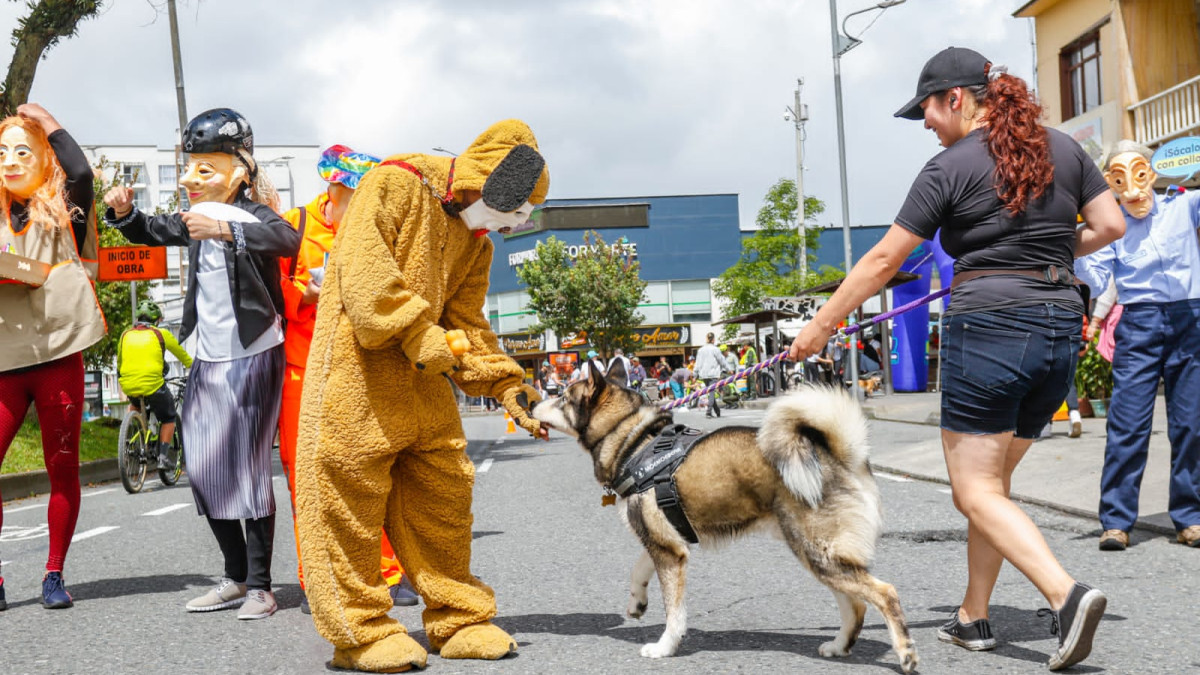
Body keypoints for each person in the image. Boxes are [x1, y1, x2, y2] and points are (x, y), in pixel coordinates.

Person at [789, 48, 1124, 670]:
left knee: (974, 491)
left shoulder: (948, 166)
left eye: (927, 109)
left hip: (992, 325)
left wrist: (820, 326)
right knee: (991, 489)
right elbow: (1108, 226)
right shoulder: (1066, 148)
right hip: (1057, 324)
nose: (924, 123)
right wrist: (1039, 248)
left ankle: (1066, 595)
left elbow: (885, 261)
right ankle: (973, 617)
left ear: (958, 98)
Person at [293, 120, 549, 671]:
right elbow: (364, 279)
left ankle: (458, 618)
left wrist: (508, 386)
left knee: (444, 497)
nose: (514, 226)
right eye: (516, 212)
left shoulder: (475, 245)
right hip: (355, 380)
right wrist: (417, 331)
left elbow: (468, 323)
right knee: (347, 502)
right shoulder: (394, 183)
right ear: (489, 184)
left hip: (426, 388)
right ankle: (358, 632)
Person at [104, 108, 301, 620]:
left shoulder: (251, 216)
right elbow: (150, 229)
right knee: (205, 467)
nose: (191, 180)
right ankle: (235, 577)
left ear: (240, 171)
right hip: (209, 359)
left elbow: (287, 240)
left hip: (255, 353)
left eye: (204, 170)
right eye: (189, 169)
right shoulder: (192, 219)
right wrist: (124, 213)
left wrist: (224, 230)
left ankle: (261, 586)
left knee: (250, 467)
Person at [276, 145, 417, 614]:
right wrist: (308, 292)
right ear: (331, 187)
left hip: (360, 362)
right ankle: (314, 576)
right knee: (306, 477)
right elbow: (275, 293)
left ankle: (389, 572)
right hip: (301, 366)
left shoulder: (379, 228)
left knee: (372, 468)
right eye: (351, 193)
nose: (359, 204)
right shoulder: (295, 225)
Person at [0, 104, 105, 611]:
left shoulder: (66, 208)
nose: (10, 161)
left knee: (62, 467)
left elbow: (81, 170)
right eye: (1, 152)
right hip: (4, 361)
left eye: (23, 150)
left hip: (57, 355)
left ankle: (53, 574)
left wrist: (44, 118)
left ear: (45, 158)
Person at [1075, 140, 1200, 552]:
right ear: (1110, 183)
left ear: (1153, 171)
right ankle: (1115, 520)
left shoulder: (1184, 205)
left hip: (1190, 317)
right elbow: (1094, 275)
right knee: (1127, 423)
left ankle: (1190, 516)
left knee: (1191, 424)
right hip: (1139, 322)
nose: (1132, 188)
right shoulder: (1113, 226)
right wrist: (1071, 238)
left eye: (1139, 173)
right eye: (1118, 178)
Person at [117, 300, 193, 470]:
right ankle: (163, 457)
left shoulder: (125, 335)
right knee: (168, 417)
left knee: (135, 404)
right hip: (153, 385)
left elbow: (120, 363)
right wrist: (196, 369)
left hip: (129, 385)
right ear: (156, 320)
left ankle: (129, 434)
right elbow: (182, 356)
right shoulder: (161, 334)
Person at [693, 332, 730, 418]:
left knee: (711, 393)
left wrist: (695, 375)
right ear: (713, 339)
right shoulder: (715, 349)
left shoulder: (701, 350)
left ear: (706, 339)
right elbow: (722, 360)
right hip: (713, 374)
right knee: (712, 393)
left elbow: (697, 363)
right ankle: (709, 411)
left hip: (704, 374)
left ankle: (717, 411)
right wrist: (729, 369)